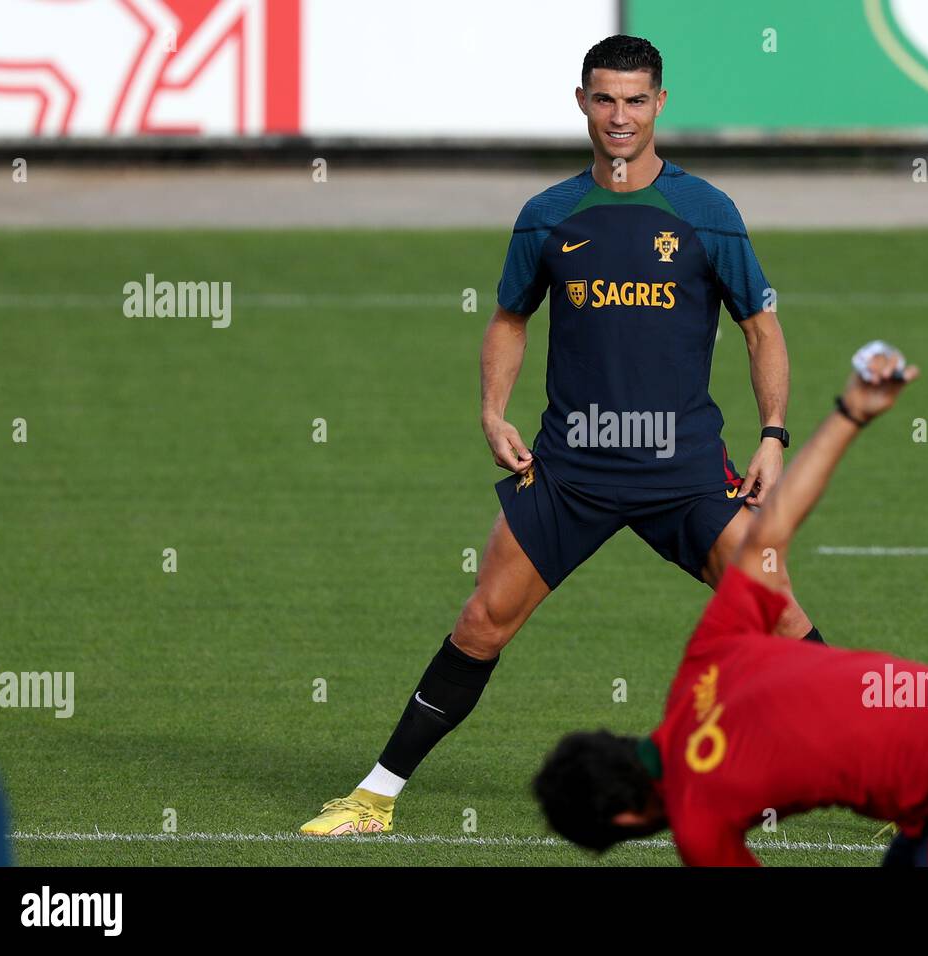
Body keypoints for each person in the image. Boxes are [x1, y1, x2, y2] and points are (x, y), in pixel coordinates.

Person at [301, 35, 821, 836]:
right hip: (570, 468)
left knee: (780, 618)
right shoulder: (547, 215)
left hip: (683, 470)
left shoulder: (706, 214)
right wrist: (490, 410)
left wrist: (775, 434)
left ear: (661, 105)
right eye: (605, 99)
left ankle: (904, 784)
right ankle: (374, 797)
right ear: (581, 101)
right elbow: (510, 319)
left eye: (636, 99)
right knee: (481, 621)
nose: (620, 116)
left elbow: (762, 328)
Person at [534, 343, 928, 866]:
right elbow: (770, 534)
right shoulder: (702, 669)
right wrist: (852, 411)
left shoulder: (699, 822)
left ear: (624, 822)